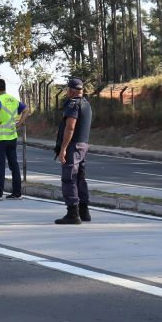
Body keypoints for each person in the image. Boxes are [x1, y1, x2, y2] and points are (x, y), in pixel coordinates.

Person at [54, 77, 93, 225]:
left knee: (69, 178)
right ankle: (84, 211)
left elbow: (70, 127)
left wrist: (63, 149)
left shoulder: (72, 105)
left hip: (73, 145)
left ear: (70, 90)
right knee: (80, 178)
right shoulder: (87, 104)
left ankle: (73, 213)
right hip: (84, 145)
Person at [0, 78, 28, 200]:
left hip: (0, 138)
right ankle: (17, 192)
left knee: (0, 166)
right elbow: (26, 110)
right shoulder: (13, 99)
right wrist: (19, 123)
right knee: (14, 165)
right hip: (12, 137)